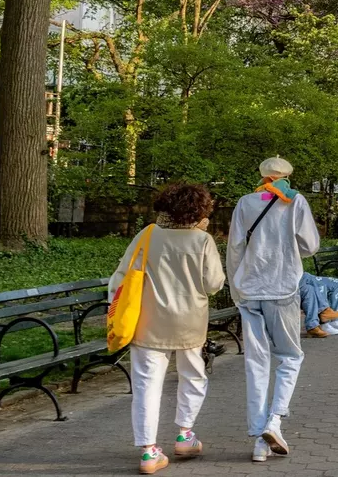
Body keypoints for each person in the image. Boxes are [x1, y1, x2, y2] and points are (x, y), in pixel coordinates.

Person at [110, 183, 226, 475]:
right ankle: (185, 436)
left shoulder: (147, 235)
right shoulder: (202, 240)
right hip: (189, 322)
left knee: (147, 386)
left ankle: (149, 452)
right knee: (193, 377)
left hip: (149, 323)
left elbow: (121, 278)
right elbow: (214, 284)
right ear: (200, 211)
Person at [226, 157, 321, 463]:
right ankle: (274, 421)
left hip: (249, 289)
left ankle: (259, 440)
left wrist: (236, 289)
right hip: (282, 288)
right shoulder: (295, 201)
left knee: (256, 361)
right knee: (290, 356)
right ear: (286, 176)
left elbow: (234, 248)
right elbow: (310, 246)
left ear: (263, 176)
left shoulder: (245, 202)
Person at [298, 272, 338, 337]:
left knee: (336, 282)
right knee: (319, 285)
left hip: (300, 276)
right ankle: (324, 321)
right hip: (290, 280)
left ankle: (334, 320)